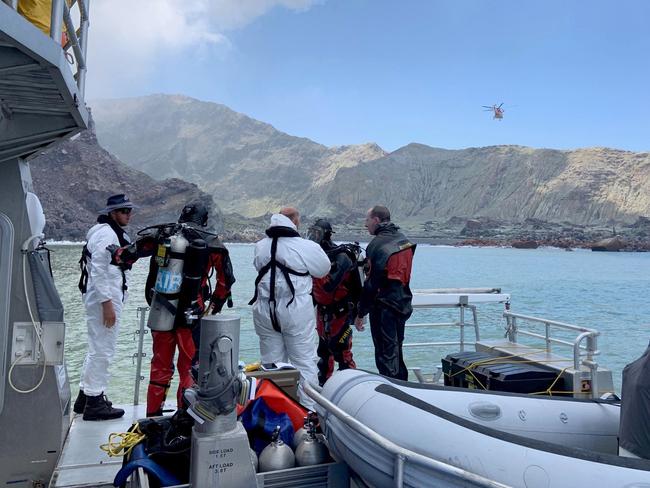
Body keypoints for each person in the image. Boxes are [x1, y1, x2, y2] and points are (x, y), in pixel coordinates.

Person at [109, 202, 235, 417]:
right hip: (192, 315)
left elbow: (126, 256)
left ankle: (153, 415)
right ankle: (183, 416)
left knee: (160, 366)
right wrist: (213, 308)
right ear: (204, 220)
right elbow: (226, 282)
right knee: (190, 367)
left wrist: (116, 253)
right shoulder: (212, 243)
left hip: (161, 311)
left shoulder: (161, 235)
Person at [250, 207, 330, 409]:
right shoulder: (305, 246)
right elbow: (323, 269)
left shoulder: (260, 246)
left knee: (271, 364)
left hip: (265, 310)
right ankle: (308, 414)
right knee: (304, 362)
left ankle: (274, 411)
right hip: (295, 311)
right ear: (295, 222)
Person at [74, 194, 135, 420]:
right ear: (112, 213)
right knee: (103, 349)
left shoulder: (101, 230)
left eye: (129, 210)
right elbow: (98, 270)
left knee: (96, 347)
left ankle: (84, 396)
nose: (128, 214)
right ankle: (95, 403)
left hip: (102, 296)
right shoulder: (107, 234)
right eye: (123, 211)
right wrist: (107, 304)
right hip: (104, 298)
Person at [354, 206, 416, 380]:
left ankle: (393, 392)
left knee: (385, 354)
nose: (366, 225)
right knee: (397, 350)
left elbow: (372, 283)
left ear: (376, 220)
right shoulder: (404, 240)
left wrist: (360, 313)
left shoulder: (377, 244)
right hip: (403, 303)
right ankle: (404, 387)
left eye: (367, 220)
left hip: (384, 307)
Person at [308, 219, 361, 386]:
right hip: (322, 313)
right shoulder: (316, 256)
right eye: (311, 233)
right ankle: (324, 391)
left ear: (326, 235)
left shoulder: (342, 256)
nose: (312, 237)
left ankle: (351, 390)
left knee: (343, 353)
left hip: (340, 313)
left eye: (316, 233)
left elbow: (329, 285)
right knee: (323, 354)